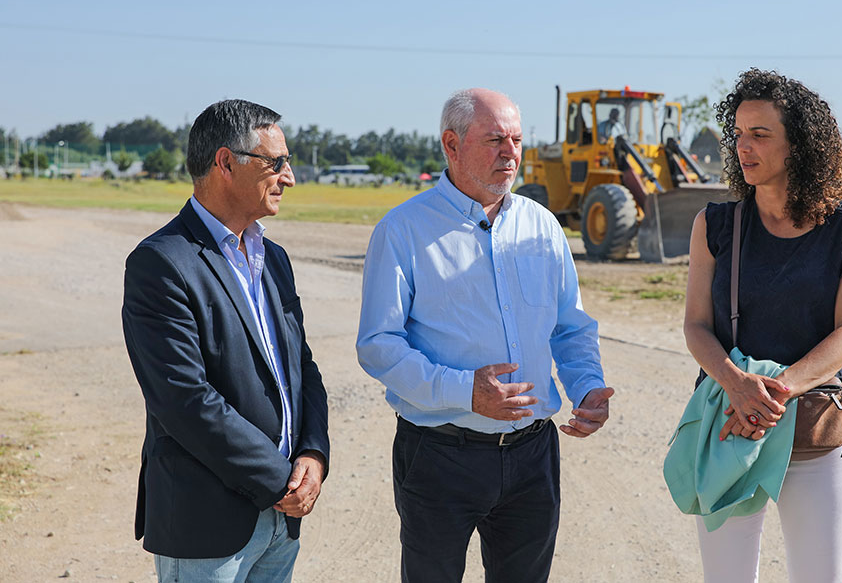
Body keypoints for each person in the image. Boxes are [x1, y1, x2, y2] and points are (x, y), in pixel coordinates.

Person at [356, 88, 615, 583]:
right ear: (451, 146)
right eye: (495, 139)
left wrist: (586, 386)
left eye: (516, 139)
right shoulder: (403, 231)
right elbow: (379, 345)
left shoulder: (542, 226)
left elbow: (569, 325)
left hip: (532, 456)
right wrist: (465, 391)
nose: (511, 153)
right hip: (440, 455)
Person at [682, 69, 842, 583]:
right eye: (738, 134)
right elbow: (695, 326)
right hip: (731, 424)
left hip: (814, 436)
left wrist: (774, 394)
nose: (742, 146)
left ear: (799, 144)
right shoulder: (714, 225)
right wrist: (737, 386)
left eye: (760, 134)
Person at [122, 99, 330, 582]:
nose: (289, 176)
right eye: (275, 162)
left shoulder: (273, 257)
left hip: (282, 519)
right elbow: (185, 401)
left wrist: (314, 456)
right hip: (209, 521)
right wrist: (279, 480)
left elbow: (301, 368)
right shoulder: (163, 263)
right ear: (225, 163)